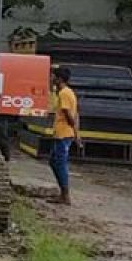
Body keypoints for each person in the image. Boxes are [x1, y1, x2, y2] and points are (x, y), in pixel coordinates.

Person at [49, 65, 82, 204]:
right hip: (61, 133)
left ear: (59, 79)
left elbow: (70, 114)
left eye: (53, 76)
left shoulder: (64, 94)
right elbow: (76, 114)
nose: (51, 78)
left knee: (60, 163)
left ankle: (65, 194)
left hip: (64, 134)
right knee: (53, 161)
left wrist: (75, 132)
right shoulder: (65, 92)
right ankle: (63, 192)